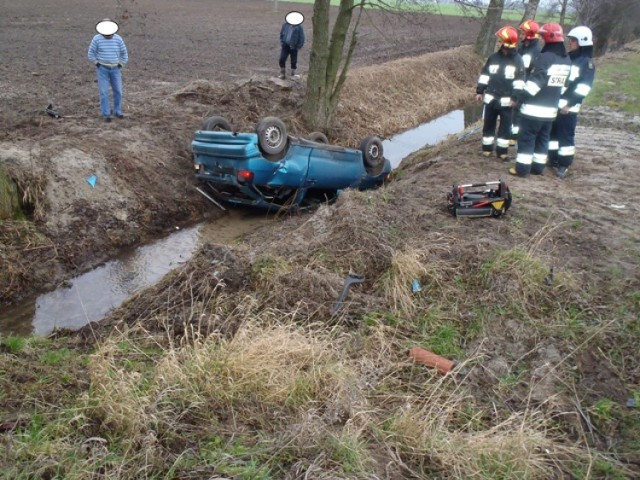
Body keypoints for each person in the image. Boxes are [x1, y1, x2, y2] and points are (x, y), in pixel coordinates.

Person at [510, 23, 571, 177]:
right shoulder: (566, 60)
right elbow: (564, 86)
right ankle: (538, 168)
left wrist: (519, 99)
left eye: (543, 37)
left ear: (548, 39)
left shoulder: (545, 58)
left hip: (533, 110)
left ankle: (522, 169)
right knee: (543, 140)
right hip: (550, 111)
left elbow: (534, 83)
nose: (541, 41)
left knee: (527, 139)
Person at [548, 26, 596, 178]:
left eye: (573, 40)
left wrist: (570, 104)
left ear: (582, 42)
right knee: (553, 134)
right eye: (570, 40)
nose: (571, 43)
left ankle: (564, 164)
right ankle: (553, 159)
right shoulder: (569, 58)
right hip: (557, 103)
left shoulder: (587, 63)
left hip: (569, 108)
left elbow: (583, 88)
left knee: (565, 137)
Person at [475, 26, 525, 161]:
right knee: (488, 125)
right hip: (491, 100)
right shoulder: (493, 58)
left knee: (505, 128)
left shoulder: (518, 60)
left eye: (499, 40)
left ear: (506, 42)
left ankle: (502, 152)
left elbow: (520, 82)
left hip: (507, 102)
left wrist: (515, 98)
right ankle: (486, 150)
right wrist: (479, 91)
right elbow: (485, 75)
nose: (497, 42)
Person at [88, 19, 128, 122]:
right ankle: (106, 114)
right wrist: (97, 64)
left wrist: (120, 64)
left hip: (115, 69)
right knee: (104, 92)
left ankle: (117, 111)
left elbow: (124, 54)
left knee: (118, 91)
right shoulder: (96, 39)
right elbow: (91, 54)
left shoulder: (118, 39)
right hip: (102, 69)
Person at [511, 20, 542, 143]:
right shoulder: (523, 48)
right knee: (515, 111)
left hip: (526, 85)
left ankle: (515, 136)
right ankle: (513, 134)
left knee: (519, 111)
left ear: (529, 35)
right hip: (518, 83)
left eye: (523, 33)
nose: (521, 35)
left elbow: (529, 70)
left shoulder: (535, 51)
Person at [279, 11, 305, 80]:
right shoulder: (285, 25)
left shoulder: (299, 27)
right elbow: (281, 34)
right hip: (285, 45)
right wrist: (282, 42)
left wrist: (299, 46)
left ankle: (293, 74)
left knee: (293, 61)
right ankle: (282, 73)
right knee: (282, 59)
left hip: (294, 47)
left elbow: (302, 37)